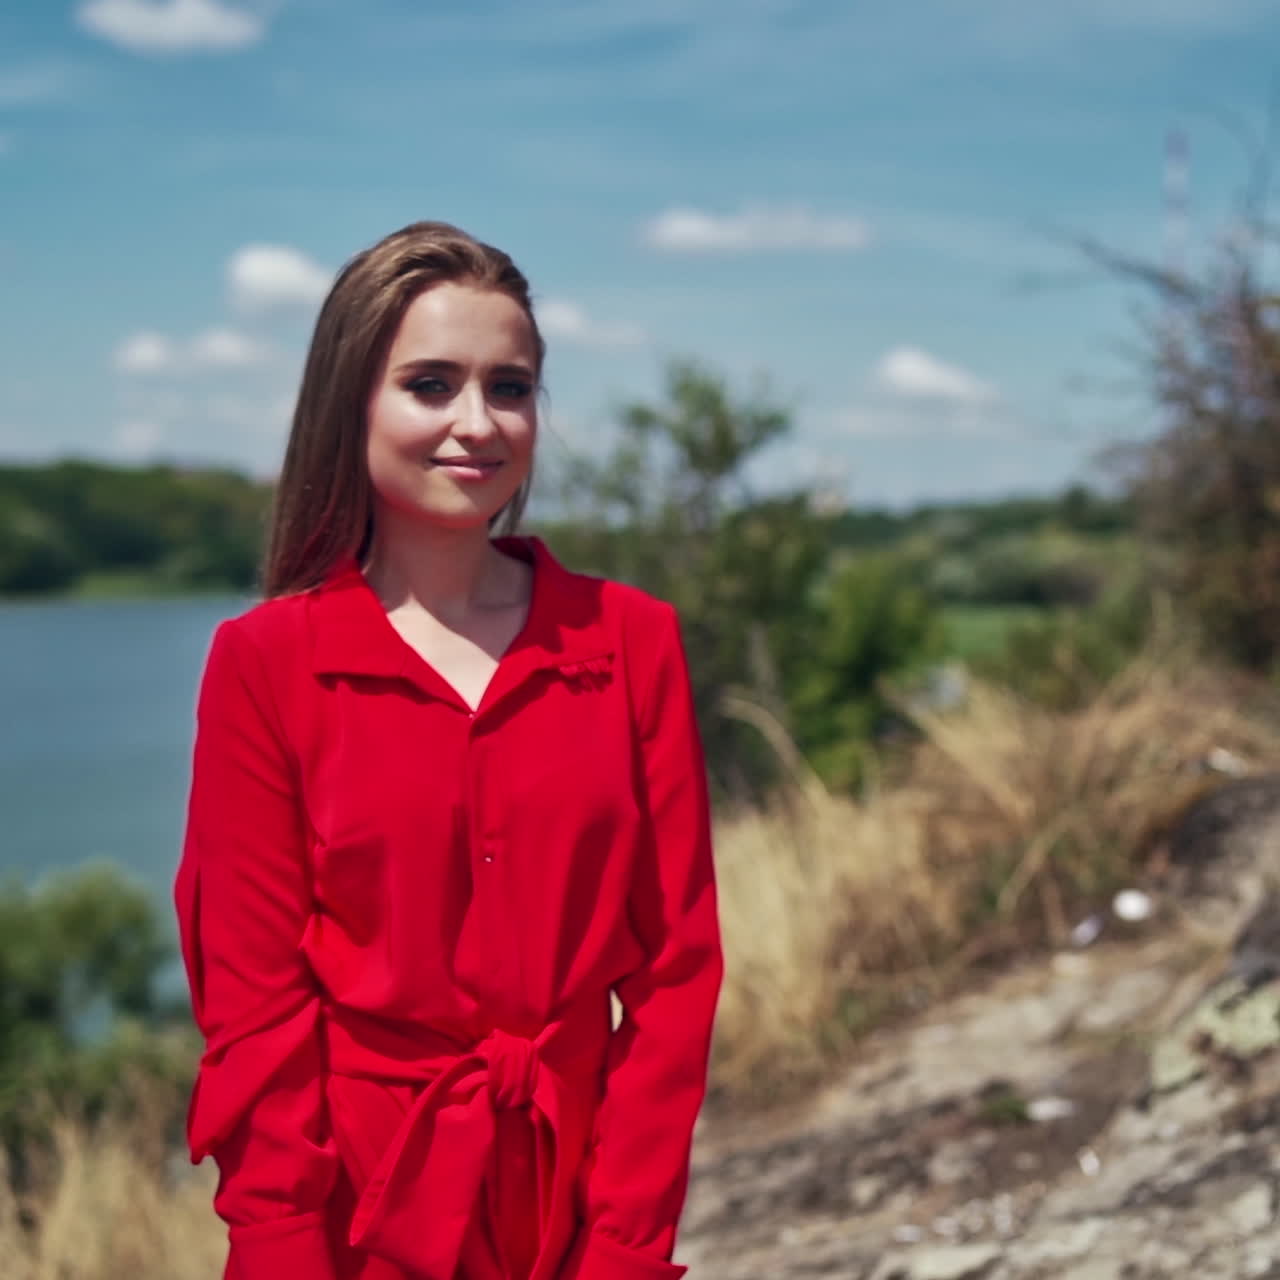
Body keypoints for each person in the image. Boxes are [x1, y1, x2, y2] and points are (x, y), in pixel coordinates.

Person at [174, 221, 723, 1280]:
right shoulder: (266, 662)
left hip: (573, 1201)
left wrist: (619, 1245)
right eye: (430, 383)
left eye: (508, 387)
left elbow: (674, 974)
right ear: (352, 404)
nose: (477, 423)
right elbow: (255, 1008)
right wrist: (286, 1247)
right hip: (356, 1213)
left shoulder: (628, 640)